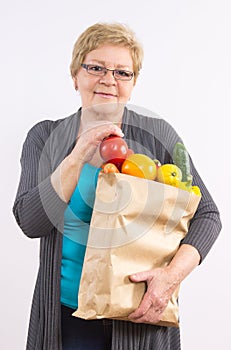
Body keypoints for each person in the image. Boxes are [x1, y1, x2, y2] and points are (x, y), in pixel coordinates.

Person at [13, 22, 222, 350]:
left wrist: (170, 278)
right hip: (67, 318)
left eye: (122, 72)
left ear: (134, 82)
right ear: (75, 76)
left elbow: (208, 215)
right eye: (95, 67)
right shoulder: (45, 138)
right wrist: (79, 152)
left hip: (140, 312)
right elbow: (31, 221)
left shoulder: (160, 135)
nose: (108, 79)